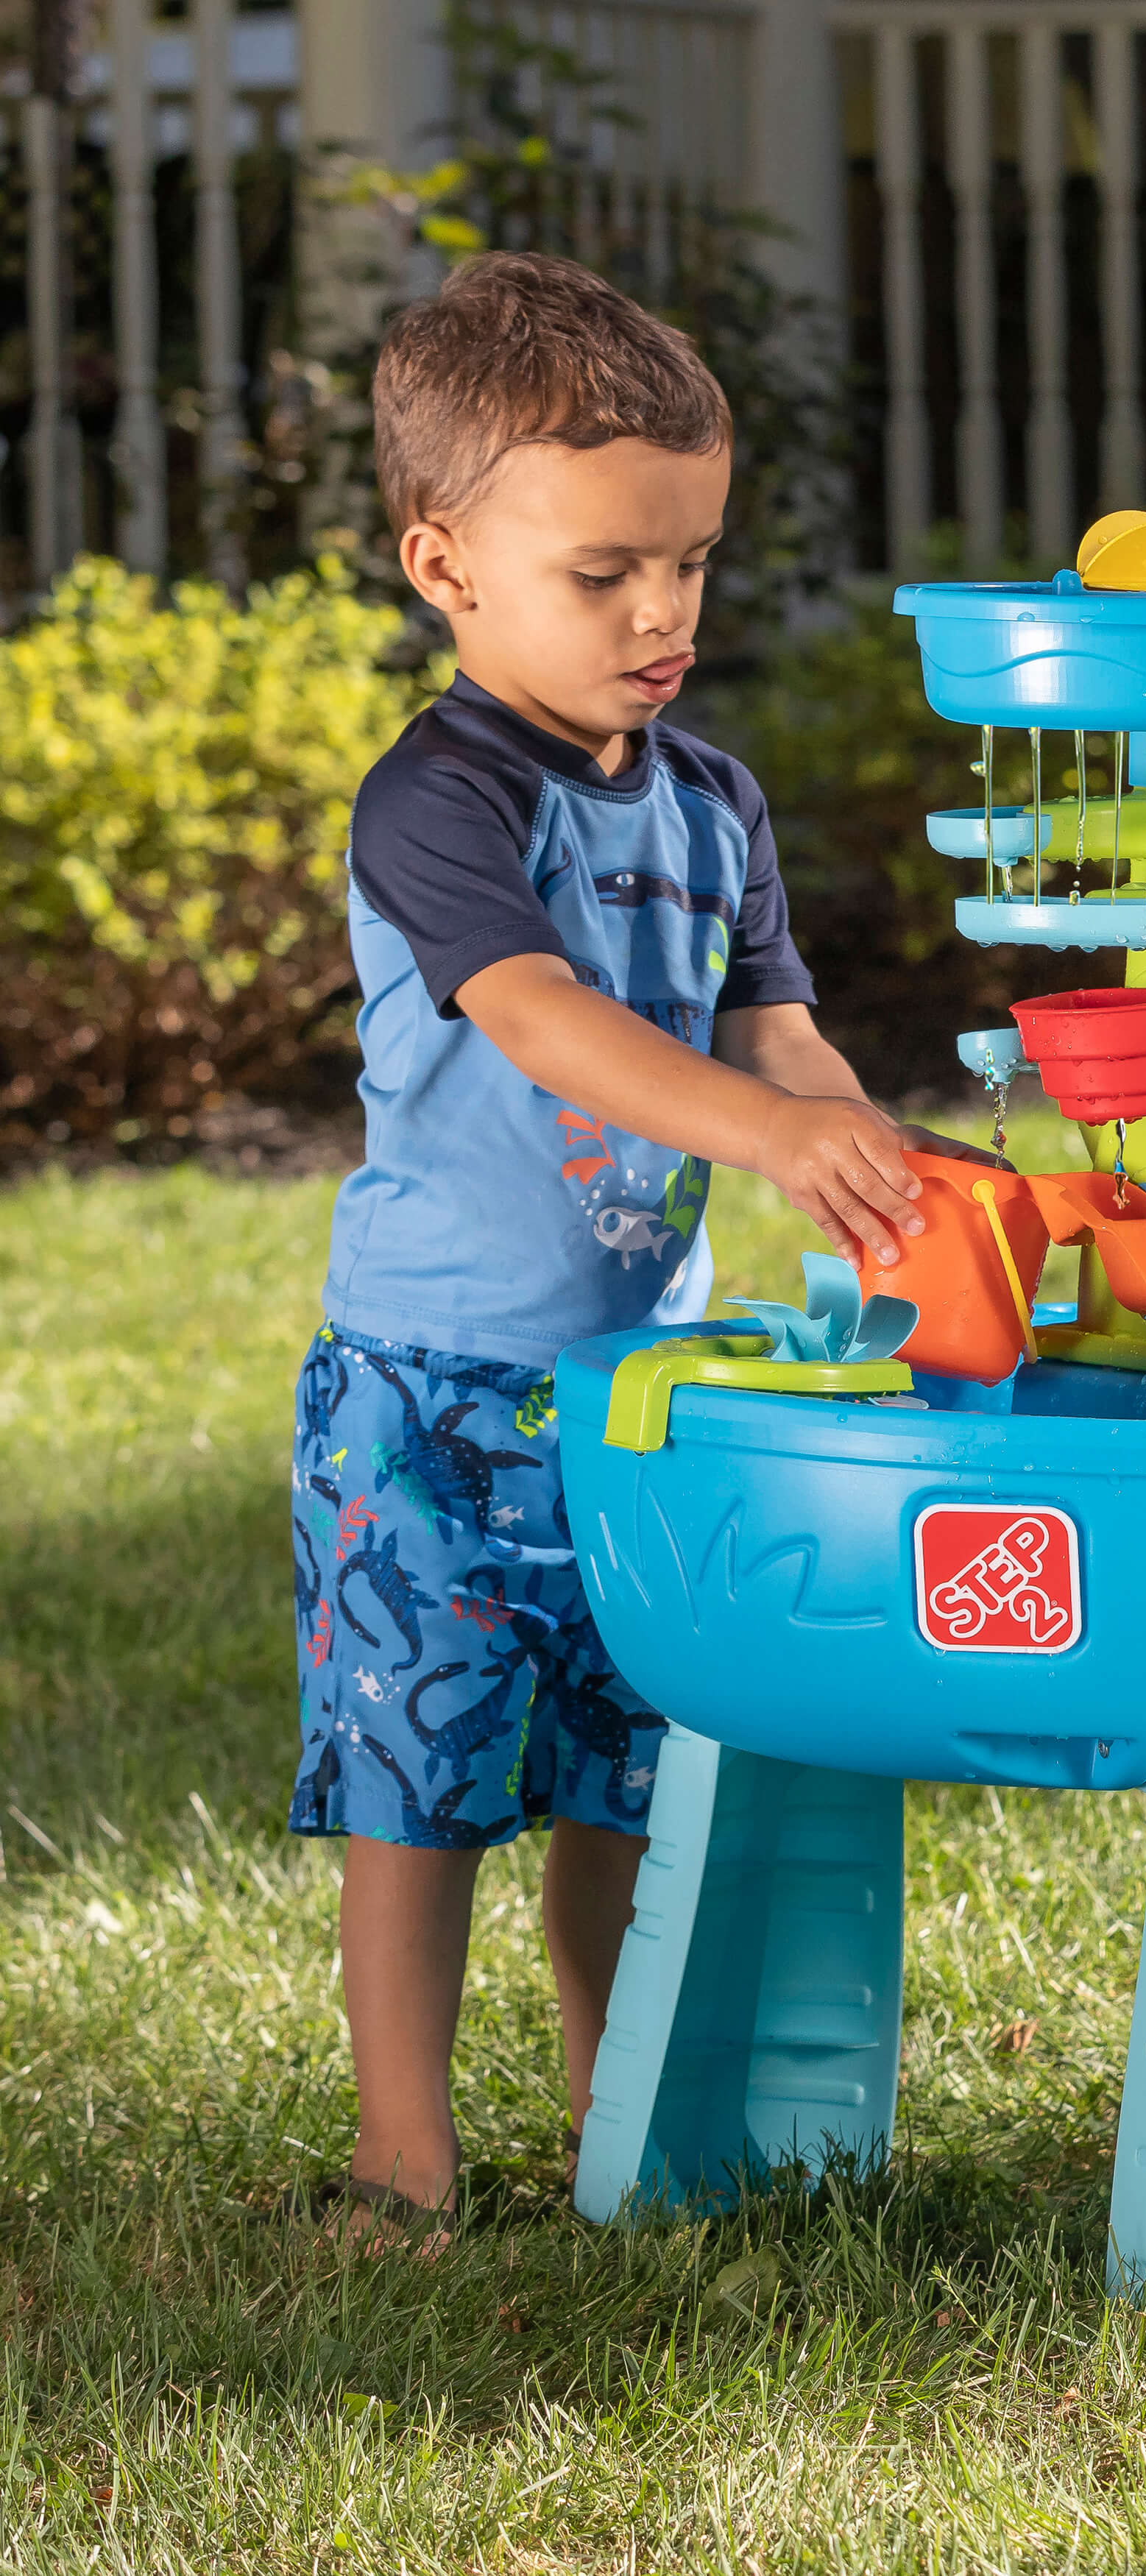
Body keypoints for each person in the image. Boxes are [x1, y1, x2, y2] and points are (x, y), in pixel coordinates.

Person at [291, 250, 975, 2234]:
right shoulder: (436, 796)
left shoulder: (715, 800)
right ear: (447, 563)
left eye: (689, 563)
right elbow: (539, 1014)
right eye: (606, 574)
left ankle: (622, 2106)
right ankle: (400, 2155)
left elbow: (764, 1018)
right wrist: (765, 1130)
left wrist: (845, 1131)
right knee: (418, 1785)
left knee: (621, 1762)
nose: (663, 612)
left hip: (640, 1388)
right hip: (427, 1387)